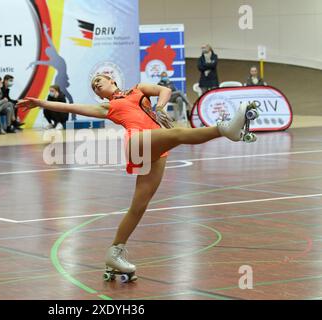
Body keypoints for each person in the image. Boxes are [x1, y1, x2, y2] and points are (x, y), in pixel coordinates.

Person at [21, 74, 255, 280]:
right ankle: (225, 129)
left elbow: (165, 90)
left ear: (112, 80)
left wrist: (160, 108)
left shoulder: (139, 89)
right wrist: (41, 102)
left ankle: (114, 253)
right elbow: (71, 108)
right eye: (94, 87)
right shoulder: (107, 108)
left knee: (138, 207)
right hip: (137, 144)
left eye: (98, 82)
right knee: (177, 134)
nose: (96, 87)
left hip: (157, 146)